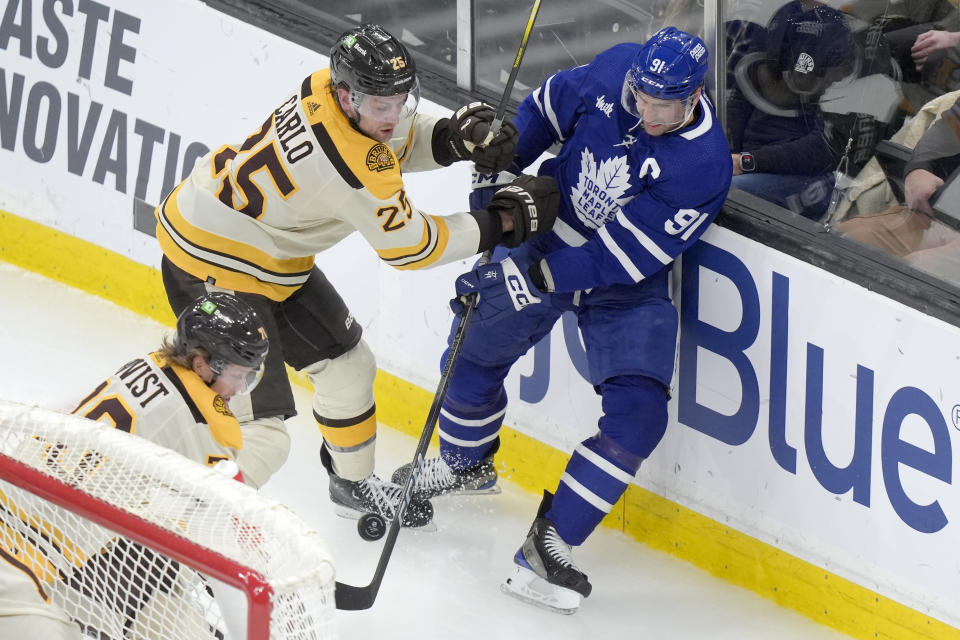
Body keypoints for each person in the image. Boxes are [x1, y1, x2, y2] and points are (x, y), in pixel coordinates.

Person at [154, 23, 559, 529]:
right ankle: (185, 530)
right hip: (212, 262)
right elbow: (412, 246)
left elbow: (387, 139)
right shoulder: (350, 165)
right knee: (262, 426)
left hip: (262, 252)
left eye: (399, 100)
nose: (392, 116)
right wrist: (499, 223)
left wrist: (454, 136)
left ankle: (352, 484)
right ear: (348, 96)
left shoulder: (321, 85)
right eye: (379, 105)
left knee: (349, 367)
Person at [392, 27, 732, 612]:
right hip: (545, 228)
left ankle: (550, 542)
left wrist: (529, 278)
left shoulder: (703, 163)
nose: (648, 112)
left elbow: (617, 258)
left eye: (664, 105)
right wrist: (503, 165)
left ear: (694, 96)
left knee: (640, 415)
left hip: (624, 283)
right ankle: (462, 463)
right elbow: (544, 110)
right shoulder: (615, 70)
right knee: (472, 343)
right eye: (642, 97)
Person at [0, 291, 269, 640]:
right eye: (239, 376)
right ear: (202, 363)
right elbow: (221, 524)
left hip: (14, 498)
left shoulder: (149, 362)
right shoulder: (209, 423)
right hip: (45, 557)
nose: (241, 388)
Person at [726, 1, 855, 220]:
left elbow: (824, 147)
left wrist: (747, 161)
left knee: (720, 191)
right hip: (747, 160)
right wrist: (726, 154)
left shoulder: (839, 36)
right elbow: (742, 98)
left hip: (802, 175)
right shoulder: (782, 16)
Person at [835, 94, 960, 281]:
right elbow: (952, 124)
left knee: (916, 270)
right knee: (848, 238)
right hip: (940, 215)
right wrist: (919, 167)